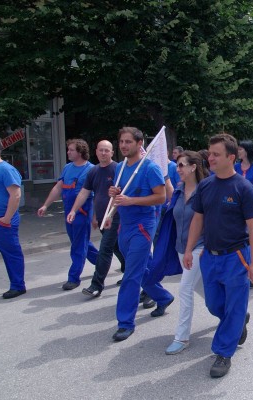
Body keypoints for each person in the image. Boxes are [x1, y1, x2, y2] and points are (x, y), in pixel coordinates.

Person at [183, 133, 253, 378]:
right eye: (210, 153)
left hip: (236, 257)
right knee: (213, 303)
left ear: (231, 157)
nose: (211, 158)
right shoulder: (206, 185)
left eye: (216, 154)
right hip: (210, 256)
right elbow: (198, 219)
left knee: (234, 305)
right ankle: (238, 320)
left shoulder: (243, 188)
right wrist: (188, 249)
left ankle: (223, 353)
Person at [105, 127, 166, 342]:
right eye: (121, 141)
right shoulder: (120, 167)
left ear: (140, 144)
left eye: (128, 142)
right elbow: (121, 196)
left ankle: (125, 322)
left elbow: (161, 197)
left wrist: (131, 201)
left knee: (131, 273)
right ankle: (163, 297)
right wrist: (115, 194)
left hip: (143, 226)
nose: (123, 145)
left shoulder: (150, 168)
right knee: (142, 269)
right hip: (125, 225)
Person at [161, 151, 209, 355]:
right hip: (182, 249)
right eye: (177, 165)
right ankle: (234, 315)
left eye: (181, 165)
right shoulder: (180, 190)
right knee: (201, 289)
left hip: (199, 247)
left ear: (193, 167)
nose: (178, 169)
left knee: (185, 288)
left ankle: (182, 337)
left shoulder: (204, 191)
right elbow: (169, 200)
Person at [66, 140, 125, 297]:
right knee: (116, 247)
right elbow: (85, 193)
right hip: (101, 217)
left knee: (105, 249)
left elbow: (125, 192)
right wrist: (74, 210)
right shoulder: (93, 171)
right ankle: (127, 270)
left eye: (107, 150)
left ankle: (96, 285)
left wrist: (112, 213)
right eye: (101, 150)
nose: (104, 153)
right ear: (96, 152)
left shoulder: (118, 169)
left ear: (112, 153)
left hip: (115, 217)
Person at [38, 139, 98, 290]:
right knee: (82, 243)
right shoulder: (67, 168)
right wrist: (45, 205)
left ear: (80, 152)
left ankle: (73, 278)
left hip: (82, 213)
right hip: (68, 213)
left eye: (71, 150)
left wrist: (95, 217)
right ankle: (102, 262)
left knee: (78, 246)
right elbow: (58, 188)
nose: (68, 152)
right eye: (68, 149)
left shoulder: (91, 170)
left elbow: (97, 196)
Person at [0, 135, 26, 299]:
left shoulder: (6, 169)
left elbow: (15, 195)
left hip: (2, 222)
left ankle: (18, 286)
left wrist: (7, 219)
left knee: (11, 254)